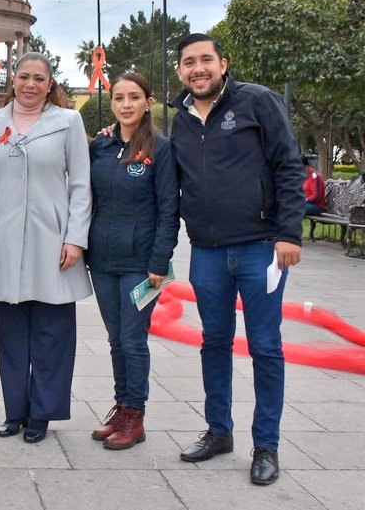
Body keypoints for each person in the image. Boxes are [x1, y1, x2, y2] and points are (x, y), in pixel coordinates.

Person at [171, 33, 304, 486]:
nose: (198, 68)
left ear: (223, 64)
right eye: (189, 62)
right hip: (206, 252)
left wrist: (289, 233)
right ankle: (219, 431)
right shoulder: (181, 119)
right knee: (214, 343)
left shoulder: (257, 101)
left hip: (260, 248)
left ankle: (266, 445)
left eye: (206, 59)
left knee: (265, 346)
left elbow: (289, 165)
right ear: (180, 71)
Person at [0, 52, 92, 444]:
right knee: (10, 331)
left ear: (50, 84)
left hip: (53, 240)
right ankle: (15, 411)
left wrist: (75, 237)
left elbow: (81, 183)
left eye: (39, 79)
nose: (30, 84)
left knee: (52, 331)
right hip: (6, 239)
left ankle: (42, 412)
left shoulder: (68, 122)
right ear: (12, 80)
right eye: (23, 76)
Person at [86, 73, 179, 450]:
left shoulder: (161, 148)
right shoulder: (102, 146)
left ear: (148, 102)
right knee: (115, 339)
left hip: (141, 263)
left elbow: (169, 209)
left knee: (133, 339)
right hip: (102, 259)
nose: (126, 104)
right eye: (119, 98)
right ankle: (122, 407)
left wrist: (160, 261)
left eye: (134, 97)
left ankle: (135, 416)